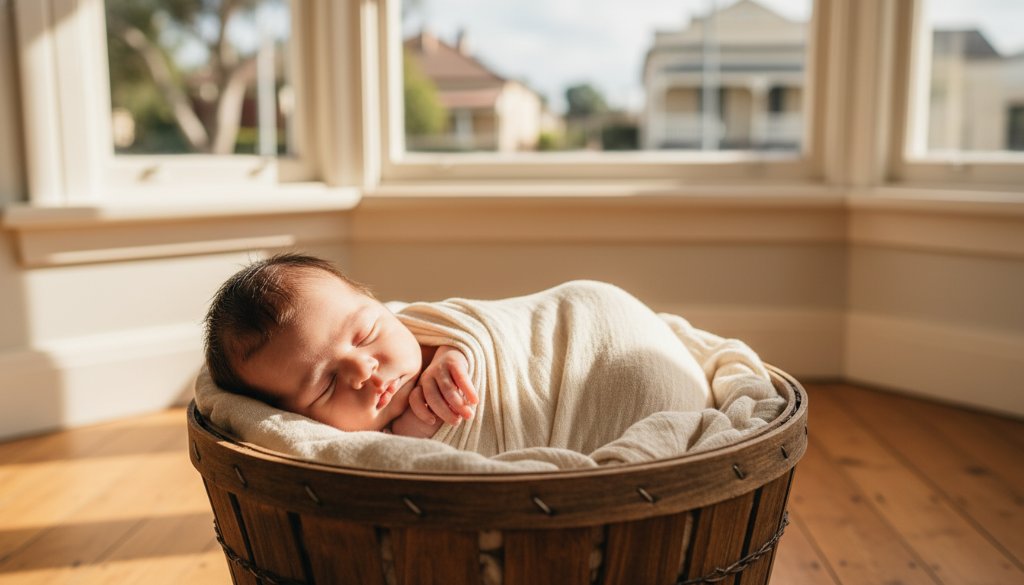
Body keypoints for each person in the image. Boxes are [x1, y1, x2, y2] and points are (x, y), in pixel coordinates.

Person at [203, 253, 479, 438]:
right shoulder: (348, 456)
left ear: (379, 304)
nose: (363, 371)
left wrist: (457, 350)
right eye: (327, 385)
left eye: (365, 335)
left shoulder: (433, 329)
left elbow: (493, 324)